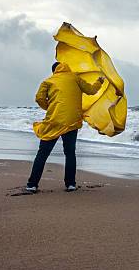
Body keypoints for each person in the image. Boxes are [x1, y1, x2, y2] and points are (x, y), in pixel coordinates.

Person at [26, 62, 104, 193]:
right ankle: (70, 184)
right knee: (70, 153)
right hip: (72, 121)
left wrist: (49, 107)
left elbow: (39, 98)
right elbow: (91, 90)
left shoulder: (48, 81)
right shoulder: (75, 78)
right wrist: (99, 81)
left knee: (42, 153)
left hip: (54, 121)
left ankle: (32, 184)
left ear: (54, 71)